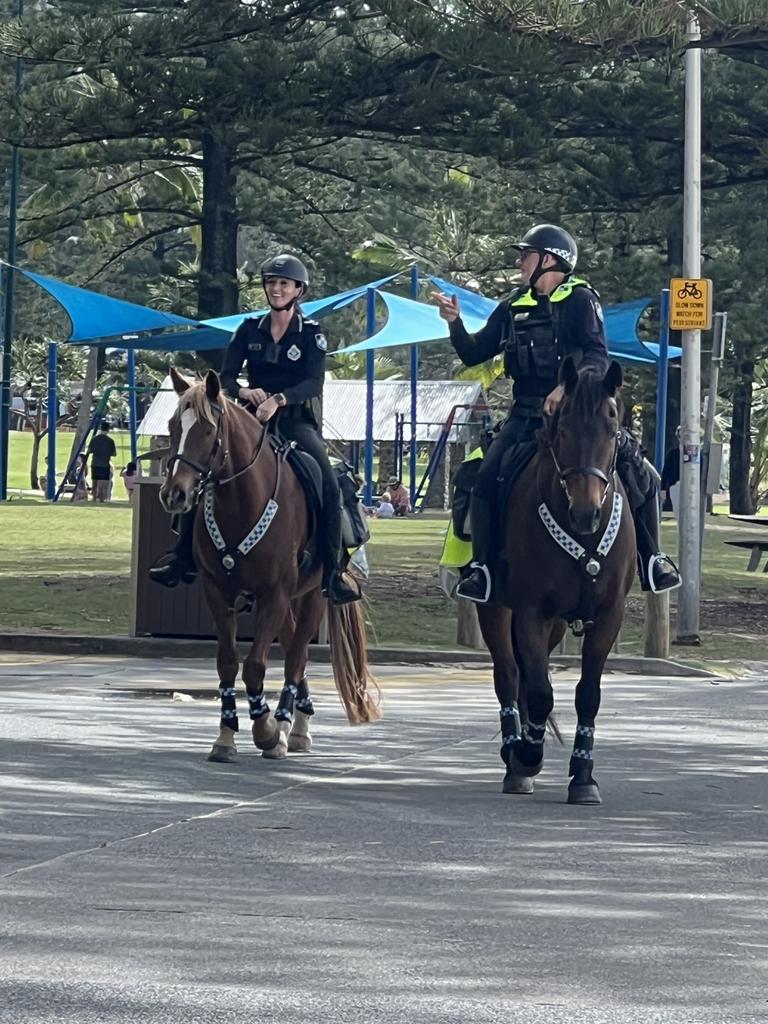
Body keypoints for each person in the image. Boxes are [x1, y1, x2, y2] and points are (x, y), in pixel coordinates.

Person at [434, 222, 681, 603]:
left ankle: (652, 560)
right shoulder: (512, 306)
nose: (519, 263)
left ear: (549, 260)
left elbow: (598, 355)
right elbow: (472, 352)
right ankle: (481, 569)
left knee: (641, 474)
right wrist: (454, 323)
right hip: (524, 415)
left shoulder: (581, 300)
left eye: (526, 255)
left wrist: (566, 388)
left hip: (575, 416)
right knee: (483, 478)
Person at [150, 253, 360, 605]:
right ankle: (182, 557)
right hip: (248, 417)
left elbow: (313, 383)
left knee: (326, 481)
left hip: (294, 421)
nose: (276, 289)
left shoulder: (312, 334)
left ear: (298, 290)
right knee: (204, 472)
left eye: (284, 283)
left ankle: (334, 571)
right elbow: (227, 376)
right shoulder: (248, 329)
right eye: (271, 283)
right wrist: (244, 391)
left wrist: (278, 398)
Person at [86, 422, 116, 503]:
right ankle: (102, 500)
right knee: (103, 485)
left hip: (95, 464)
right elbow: (114, 453)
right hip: (105, 464)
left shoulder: (94, 439)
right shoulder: (110, 441)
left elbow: (89, 451)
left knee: (94, 483)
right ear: (108, 430)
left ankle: (94, 499)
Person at [660, 427, 681, 513]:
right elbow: (665, 472)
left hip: (691, 486)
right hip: (675, 485)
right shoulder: (672, 454)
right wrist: (663, 489)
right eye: (680, 436)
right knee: (677, 511)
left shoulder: (695, 455)